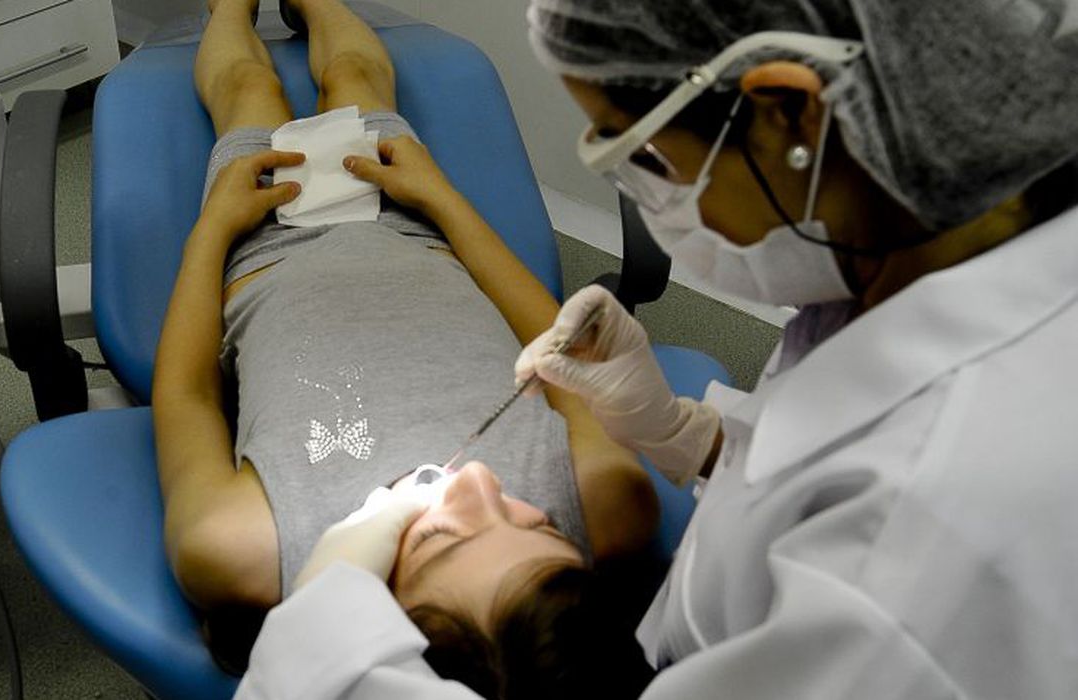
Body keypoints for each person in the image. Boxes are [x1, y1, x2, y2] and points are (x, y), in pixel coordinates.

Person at [235, 0, 1078, 697]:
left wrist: (329, 632)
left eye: (646, 157)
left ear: (791, 113)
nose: (481, 484)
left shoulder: (907, 561)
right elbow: (826, 460)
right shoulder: (902, 267)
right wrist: (687, 437)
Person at [151, 0, 662, 689]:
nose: (478, 482)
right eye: (538, 524)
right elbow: (557, 345)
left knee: (248, 90)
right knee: (357, 77)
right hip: (414, 226)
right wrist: (440, 197)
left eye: (441, 537)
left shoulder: (243, 546)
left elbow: (187, 399)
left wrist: (213, 229)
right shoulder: (604, 501)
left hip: (265, 246)